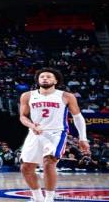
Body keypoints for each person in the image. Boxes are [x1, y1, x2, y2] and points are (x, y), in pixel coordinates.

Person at [19, 68, 90, 202]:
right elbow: (23, 117)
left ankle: (49, 199)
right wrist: (32, 125)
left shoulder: (66, 96)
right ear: (38, 80)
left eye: (49, 77)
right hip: (35, 133)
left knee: (48, 162)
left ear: (56, 81)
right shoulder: (27, 96)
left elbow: (78, 117)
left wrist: (83, 138)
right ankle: (38, 198)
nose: (45, 78)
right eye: (42, 77)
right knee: (26, 167)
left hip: (56, 133)